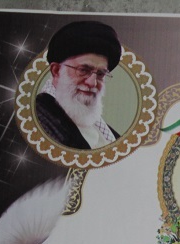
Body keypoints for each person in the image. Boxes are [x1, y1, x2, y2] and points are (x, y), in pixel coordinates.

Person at [35, 21, 122, 150]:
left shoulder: (103, 129)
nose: (92, 82)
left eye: (100, 74)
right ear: (56, 71)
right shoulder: (38, 119)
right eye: (83, 70)